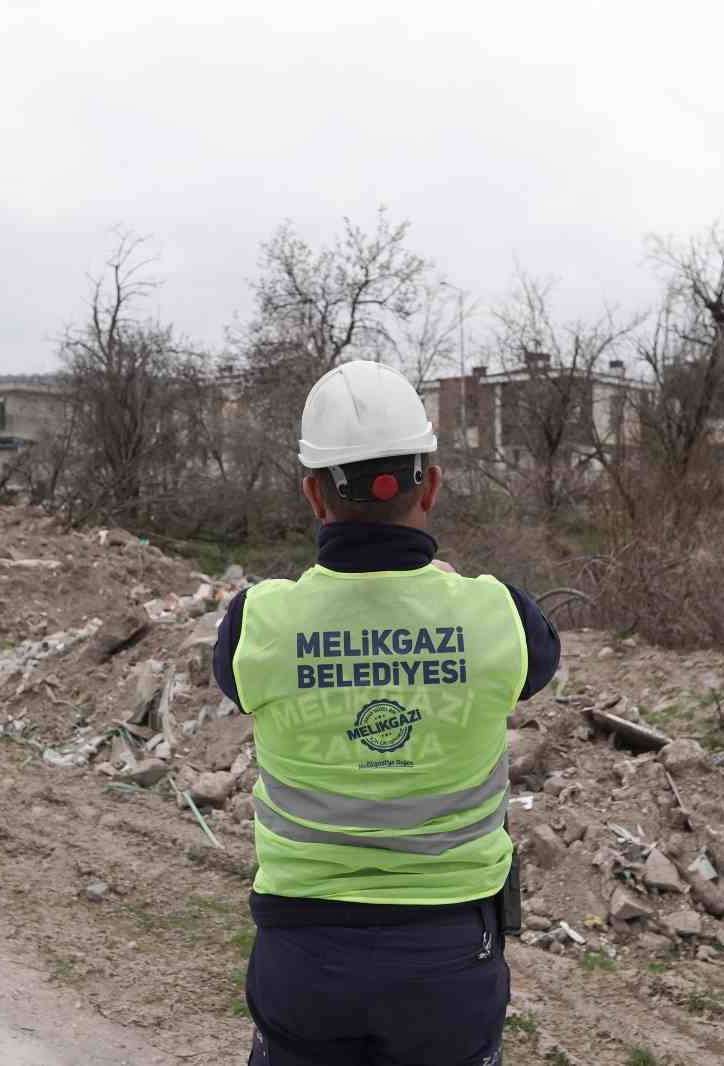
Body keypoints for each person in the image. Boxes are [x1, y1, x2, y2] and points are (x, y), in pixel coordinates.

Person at [213, 360, 561, 1066]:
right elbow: (542, 664)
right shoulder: (498, 617)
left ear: (314, 494)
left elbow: (231, 679)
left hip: (304, 956)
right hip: (449, 957)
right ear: (429, 485)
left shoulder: (261, 622)